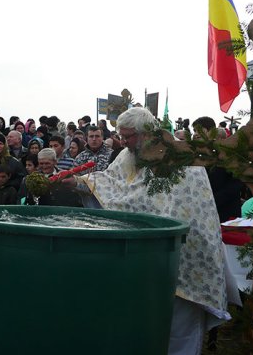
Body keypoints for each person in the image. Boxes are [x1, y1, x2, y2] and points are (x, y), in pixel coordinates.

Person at [67, 107, 228, 355]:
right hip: (150, 254)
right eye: (121, 136)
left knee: (180, 322)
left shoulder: (183, 159)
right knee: (150, 319)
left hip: (187, 251)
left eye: (128, 136)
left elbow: (152, 202)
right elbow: (112, 181)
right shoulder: (128, 155)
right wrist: (78, 182)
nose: (123, 141)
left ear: (145, 133)